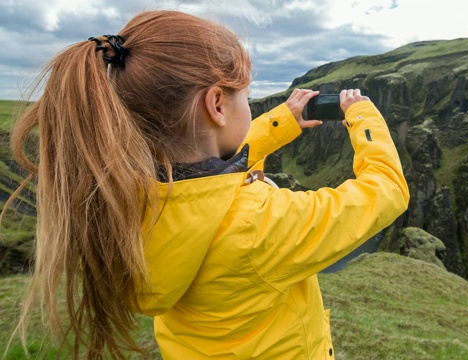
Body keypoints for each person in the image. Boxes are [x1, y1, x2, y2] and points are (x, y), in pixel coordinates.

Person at [8, 10, 409, 360]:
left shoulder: (128, 200)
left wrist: (281, 121)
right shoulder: (258, 224)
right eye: (246, 97)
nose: (250, 106)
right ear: (216, 104)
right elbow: (386, 190)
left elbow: (211, 174)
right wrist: (364, 117)